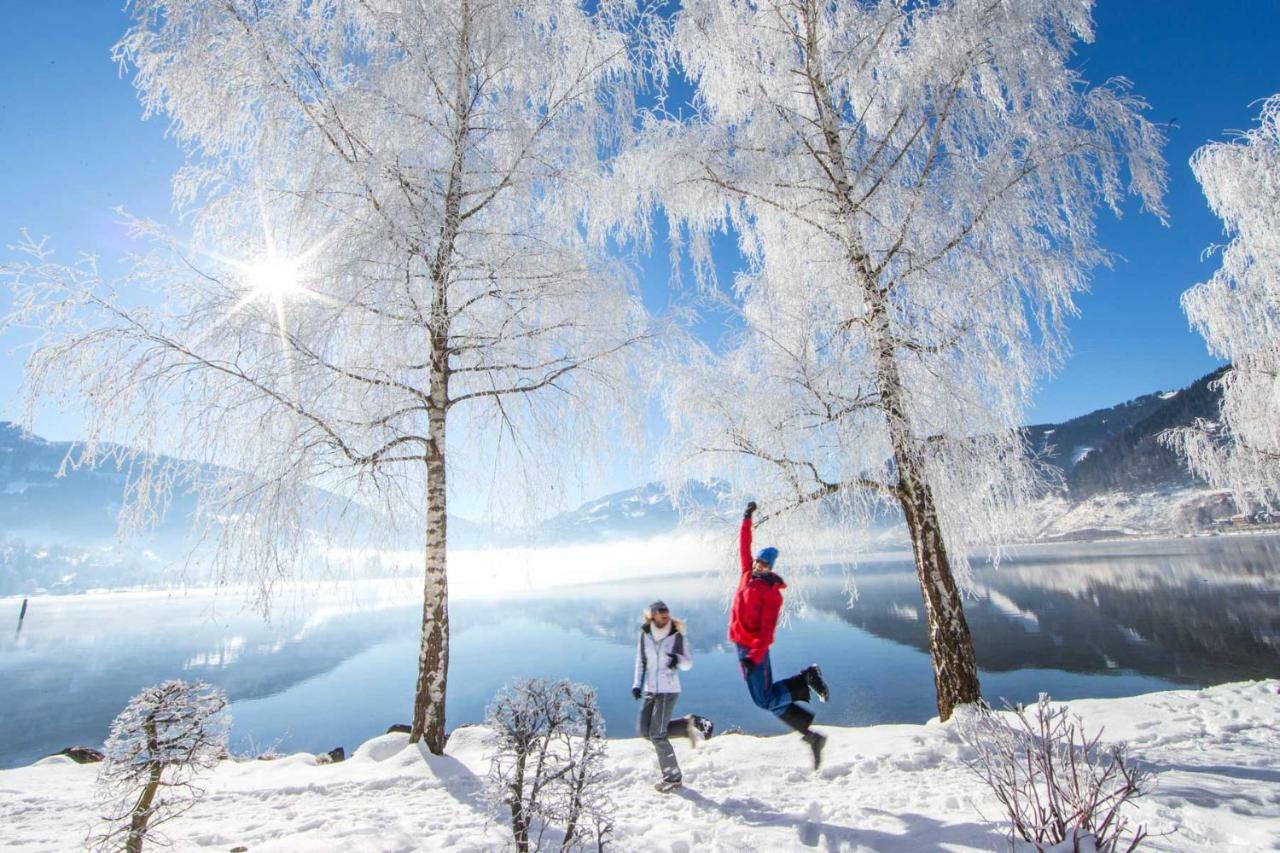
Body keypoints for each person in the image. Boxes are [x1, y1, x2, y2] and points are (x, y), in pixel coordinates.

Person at [731, 501, 830, 769]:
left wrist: (753, 656)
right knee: (771, 703)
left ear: (770, 567)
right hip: (742, 647)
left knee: (764, 699)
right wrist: (746, 518)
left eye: (764, 564)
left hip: (754, 650)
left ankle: (806, 677)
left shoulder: (771, 595)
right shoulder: (745, 575)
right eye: (757, 561)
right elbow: (744, 545)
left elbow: (766, 634)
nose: (758, 565)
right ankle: (811, 737)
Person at [632, 600, 712, 792]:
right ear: (652, 615)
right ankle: (687, 725)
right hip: (651, 689)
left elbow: (688, 663)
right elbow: (640, 662)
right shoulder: (645, 635)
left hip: (669, 690)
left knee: (657, 734)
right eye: (661, 611)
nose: (665, 613)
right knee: (645, 731)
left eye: (666, 610)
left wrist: (678, 660)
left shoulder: (676, 636)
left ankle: (673, 777)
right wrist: (636, 684)